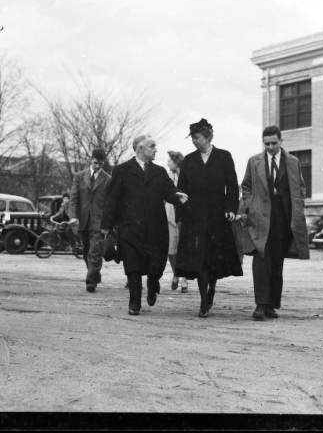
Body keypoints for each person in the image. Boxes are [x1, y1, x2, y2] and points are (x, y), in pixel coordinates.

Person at [101, 135, 188, 316]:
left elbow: (168, 191)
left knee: (155, 265)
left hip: (155, 229)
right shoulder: (122, 170)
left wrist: (177, 196)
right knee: (132, 266)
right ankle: (134, 302)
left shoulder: (159, 171)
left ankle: (153, 283)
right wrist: (106, 227)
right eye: (152, 146)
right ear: (140, 149)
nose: (156, 149)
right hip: (130, 228)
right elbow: (112, 200)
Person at [240, 125, 310, 321]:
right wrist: (250, 204)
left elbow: (301, 188)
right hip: (261, 218)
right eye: (266, 143)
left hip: (284, 218)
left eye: (273, 143)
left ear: (281, 141)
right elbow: (245, 186)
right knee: (261, 260)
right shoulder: (254, 162)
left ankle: (271, 305)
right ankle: (260, 305)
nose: (270, 147)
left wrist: (297, 208)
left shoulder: (293, 162)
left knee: (277, 263)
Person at [175, 118, 243, 318]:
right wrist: (181, 214)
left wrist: (231, 208)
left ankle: (211, 289)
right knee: (199, 260)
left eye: (197, 138)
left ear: (207, 137)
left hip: (217, 216)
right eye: (193, 139)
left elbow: (232, 186)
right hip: (194, 218)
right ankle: (204, 300)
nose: (194, 142)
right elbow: (181, 189)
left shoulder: (224, 157)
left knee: (212, 259)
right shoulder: (188, 160)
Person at [68, 149, 111, 293]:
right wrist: (73, 216)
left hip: (99, 222)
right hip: (83, 220)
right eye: (95, 163)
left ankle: (91, 281)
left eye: (101, 163)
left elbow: (110, 203)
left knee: (95, 251)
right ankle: (95, 274)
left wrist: (108, 223)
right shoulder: (79, 177)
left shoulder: (108, 180)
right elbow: (74, 198)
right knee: (87, 251)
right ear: (90, 160)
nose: (98, 166)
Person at [166, 151, 188, 293]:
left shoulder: (186, 177)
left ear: (176, 162)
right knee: (171, 248)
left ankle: (183, 277)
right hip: (169, 214)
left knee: (183, 247)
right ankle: (176, 272)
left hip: (183, 215)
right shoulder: (168, 177)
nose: (167, 163)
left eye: (169, 160)